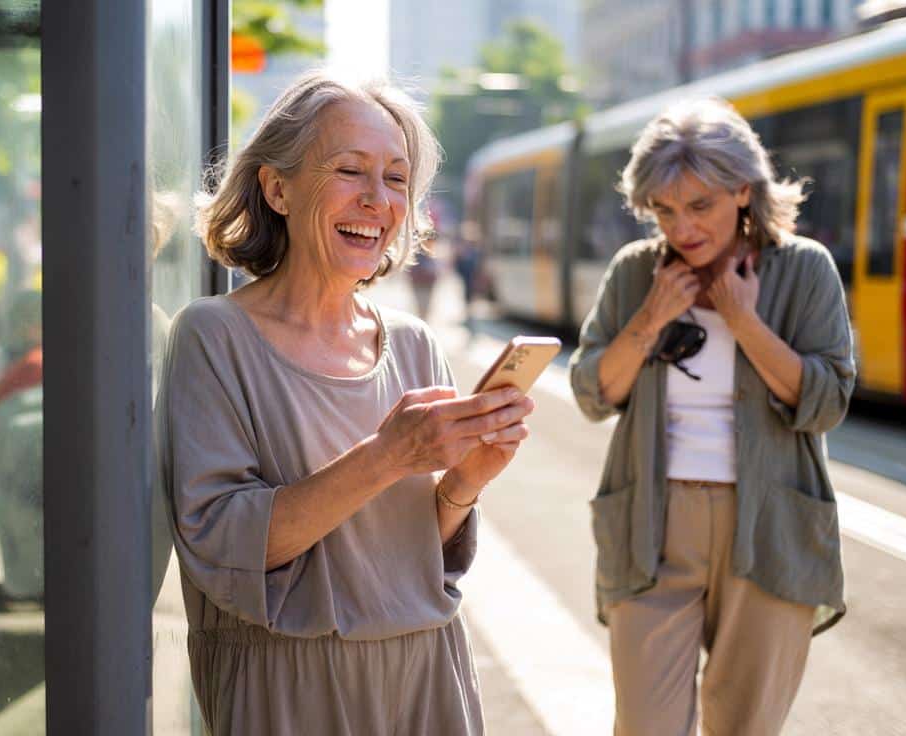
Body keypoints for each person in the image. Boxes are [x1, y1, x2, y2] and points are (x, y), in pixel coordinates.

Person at [158, 71, 535, 735]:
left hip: (427, 678)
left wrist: (464, 486)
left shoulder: (416, 344)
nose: (377, 199)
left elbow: (410, 549)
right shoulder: (213, 336)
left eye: (396, 179)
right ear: (277, 188)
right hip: (289, 691)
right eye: (350, 170)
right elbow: (222, 542)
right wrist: (389, 456)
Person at [568, 98, 855, 736]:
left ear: (744, 194)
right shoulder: (636, 273)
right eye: (664, 211)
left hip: (770, 525)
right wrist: (649, 320)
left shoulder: (804, 269)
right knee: (645, 724)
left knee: (744, 725)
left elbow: (827, 402)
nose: (682, 228)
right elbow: (591, 392)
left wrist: (744, 321)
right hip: (652, 522)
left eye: (700, 206)